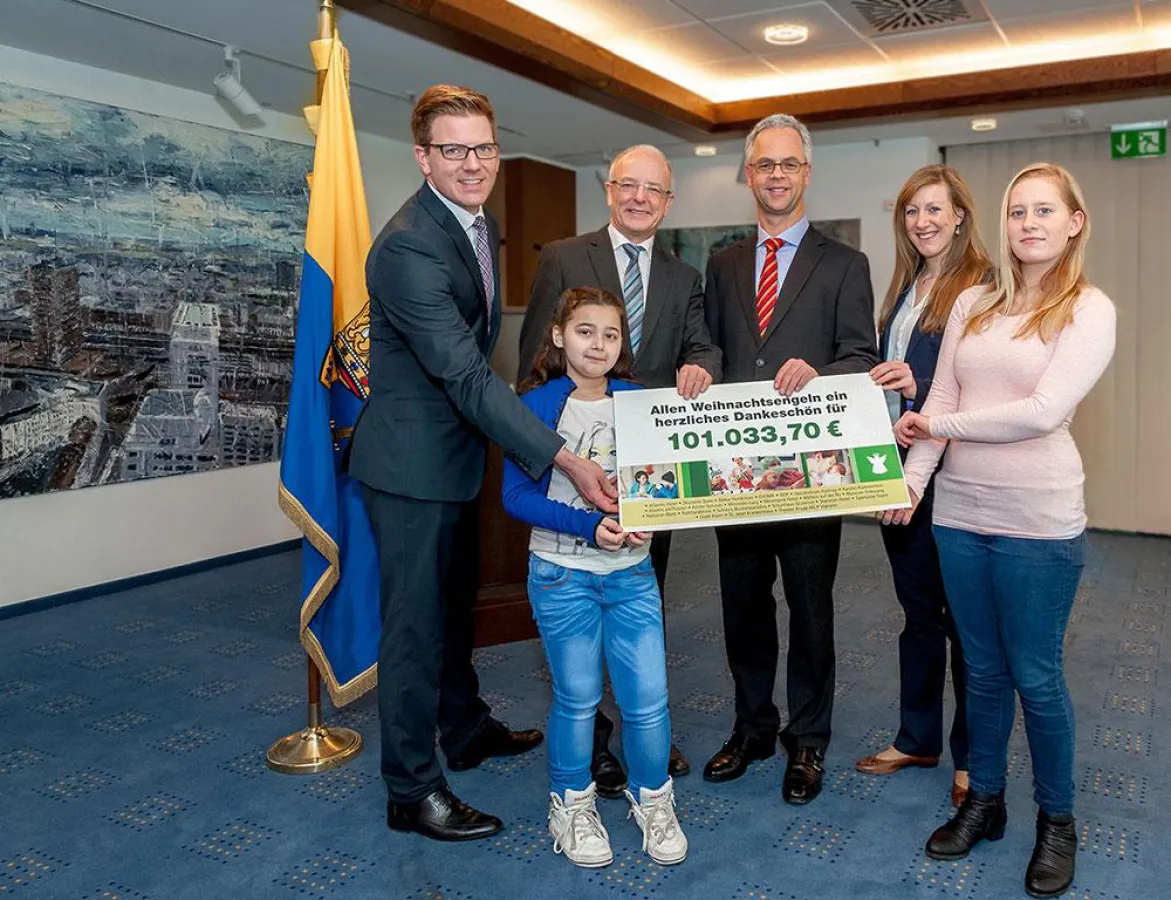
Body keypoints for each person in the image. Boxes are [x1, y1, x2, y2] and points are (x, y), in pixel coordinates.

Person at [349, 85, 617, 843]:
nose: (473, 164)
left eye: (484, 148)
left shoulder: (477, 224)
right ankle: (411, 790)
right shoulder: (407, 245)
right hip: (409, 468)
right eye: (454, 150)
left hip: (456, 455)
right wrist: (563, 456)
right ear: (422, 157)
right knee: (413, 629)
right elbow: (465, 374)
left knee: (454, 606)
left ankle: (464, 729)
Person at [896, 162, 1115, 897]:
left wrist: (938, 427)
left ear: (1074, 223)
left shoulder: (1088, 309)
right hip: (960, 515)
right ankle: (983, 801)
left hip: (1038, 522)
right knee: (983, 671)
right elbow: (941, 395)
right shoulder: (974, 301)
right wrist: (913, 482)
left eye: (1044, 211)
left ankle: (1058, 822)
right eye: (1018, 211)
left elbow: (1041, 412)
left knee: (1036, 676)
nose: (1028, 223)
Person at [519, 143, 721, 792]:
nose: (639, 198)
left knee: (638, 600)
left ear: (668, 202)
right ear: (609, 190)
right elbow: (532, 365)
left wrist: (702, 366)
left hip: (646, 472)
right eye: (627, 185)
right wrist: (547, 452)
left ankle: (640, 728)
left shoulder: (683, 275)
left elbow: (701, 346)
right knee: (575, 613)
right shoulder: (562, 256)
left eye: (652, 189)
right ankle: (595, 740)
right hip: (568, 462)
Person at [701, 113, 879, 805]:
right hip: (736, 472)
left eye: (789, 164)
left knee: (810, 612)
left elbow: (860, 357)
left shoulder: (845, 263)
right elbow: (713, 350)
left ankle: (807, 739)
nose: (776, 176)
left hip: (809, 473)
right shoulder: (721, 264)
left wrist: (821, 372)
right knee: (742, 609)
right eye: (764, 164)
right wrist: (696, 367)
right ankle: (752, 727)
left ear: (806, 172)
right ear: (748, 174)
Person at [503, 286, 688, 869]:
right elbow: (514, 497)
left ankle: (654, 799)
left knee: (648, 700)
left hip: (631, 575)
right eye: (585, 331)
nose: (598, 344)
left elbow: (665, 481)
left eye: (611, 334)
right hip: (562, 575)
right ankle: (571, 804)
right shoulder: (535, 406)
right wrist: (588, 526)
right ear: (559, 335)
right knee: (578, 698)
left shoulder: (639, 401)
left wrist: (656, 514)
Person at [858, 164, 992, 809]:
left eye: (935, 209)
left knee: (966, 623)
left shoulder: (984, 285)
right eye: (912, 211)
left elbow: (984, 385)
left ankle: (972, 758)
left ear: (960, 215)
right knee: (918, 616)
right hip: (900, 467)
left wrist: (919, 385)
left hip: (956, 473)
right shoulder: (906, 287)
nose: (923, 222)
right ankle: (917, 738)